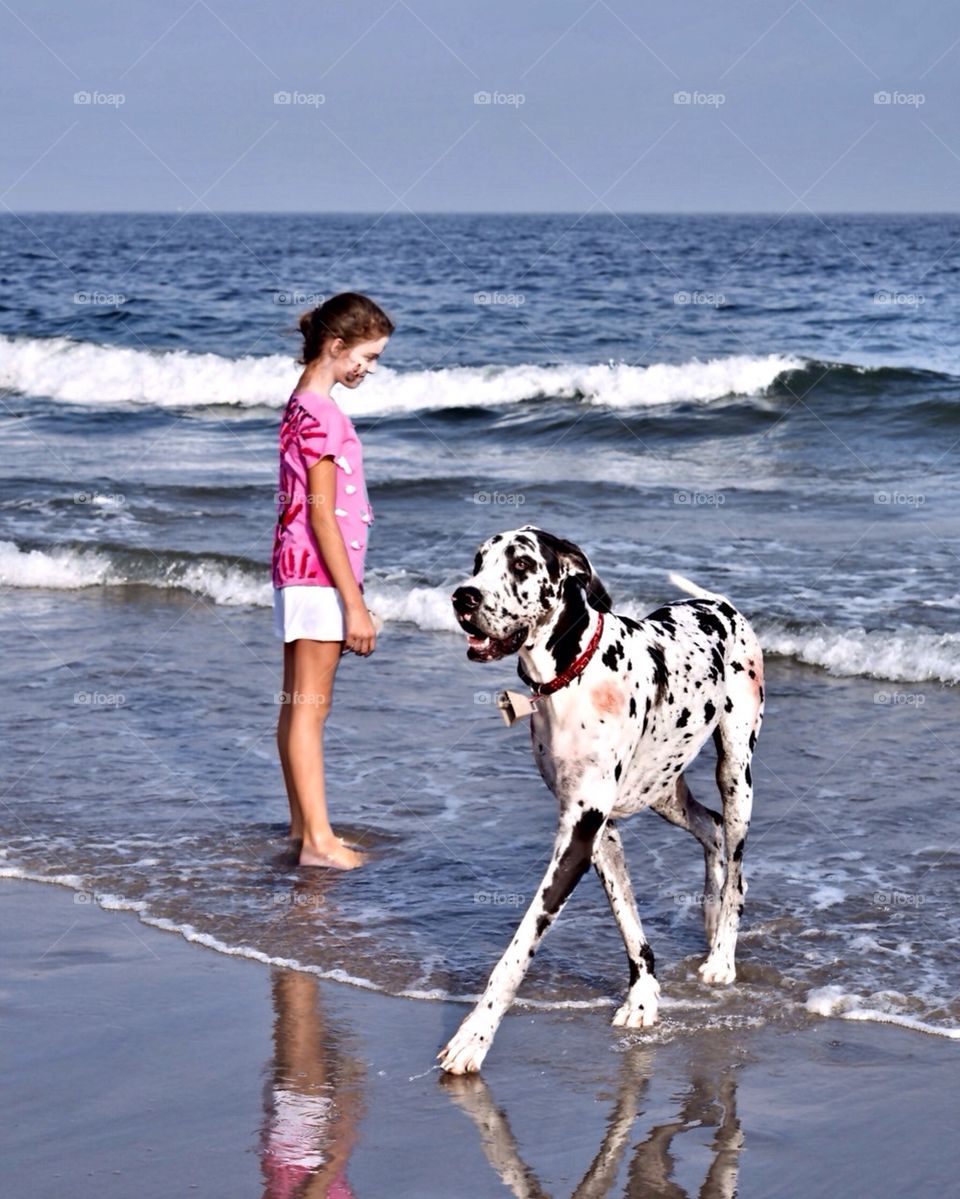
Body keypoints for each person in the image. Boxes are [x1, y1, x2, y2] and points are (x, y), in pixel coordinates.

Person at [272, 292, 394, 869]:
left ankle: (304, 831)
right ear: (336, 345)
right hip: (320, 575)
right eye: (365, 358)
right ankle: (320, 842)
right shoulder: (322, 413)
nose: (368, 369)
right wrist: (356, 604)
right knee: (309, 708)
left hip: (295, 569)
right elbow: (322, 513)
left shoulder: (300, 402)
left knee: (297, 704)